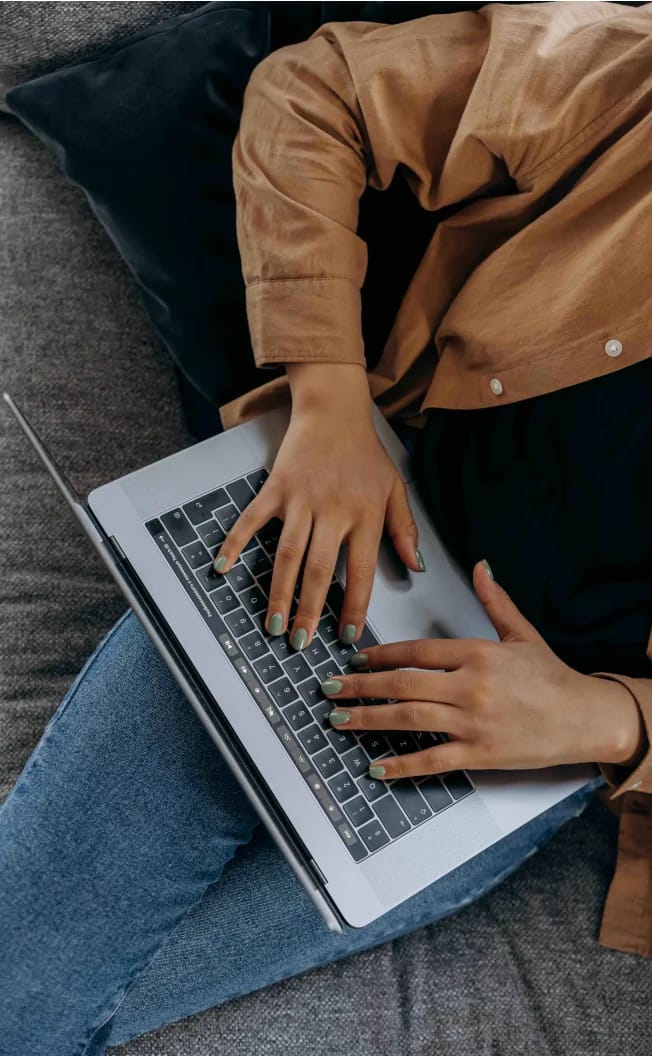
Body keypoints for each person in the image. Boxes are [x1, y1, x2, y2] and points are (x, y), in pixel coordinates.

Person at [0, 4, 650, 1053]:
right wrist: (330, 401)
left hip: (521, 757)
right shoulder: (620, 70)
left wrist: (613, 722)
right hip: (325, 557)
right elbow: (314, 93)